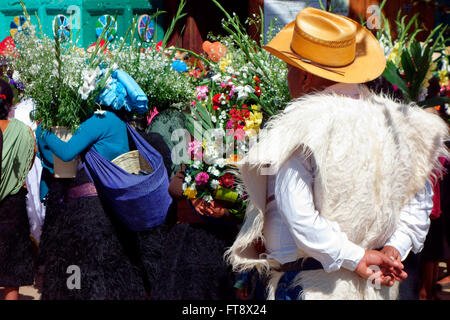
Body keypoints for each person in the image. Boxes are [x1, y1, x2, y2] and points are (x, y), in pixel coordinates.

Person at [225, 7, 448, 300]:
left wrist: (355, 257)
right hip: (375, 287)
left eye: (290, 69)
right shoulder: (401, 124)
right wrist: (393, 248)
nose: (288, 77)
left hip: (310, 286)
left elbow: (300, 215)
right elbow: (417, 204)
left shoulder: (302, 126)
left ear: (305, 77)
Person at [36, 70, 170, 300]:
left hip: (91, 212)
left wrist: (45, 130)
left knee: (82, 272)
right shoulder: (121, 123)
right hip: (111, 208)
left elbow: (66, 152)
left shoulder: (102, 120)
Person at [0, 78, 36, 300]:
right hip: (12, 205)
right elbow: (28, 165)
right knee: (11, 264)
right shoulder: (24, 132)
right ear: (11, 102)